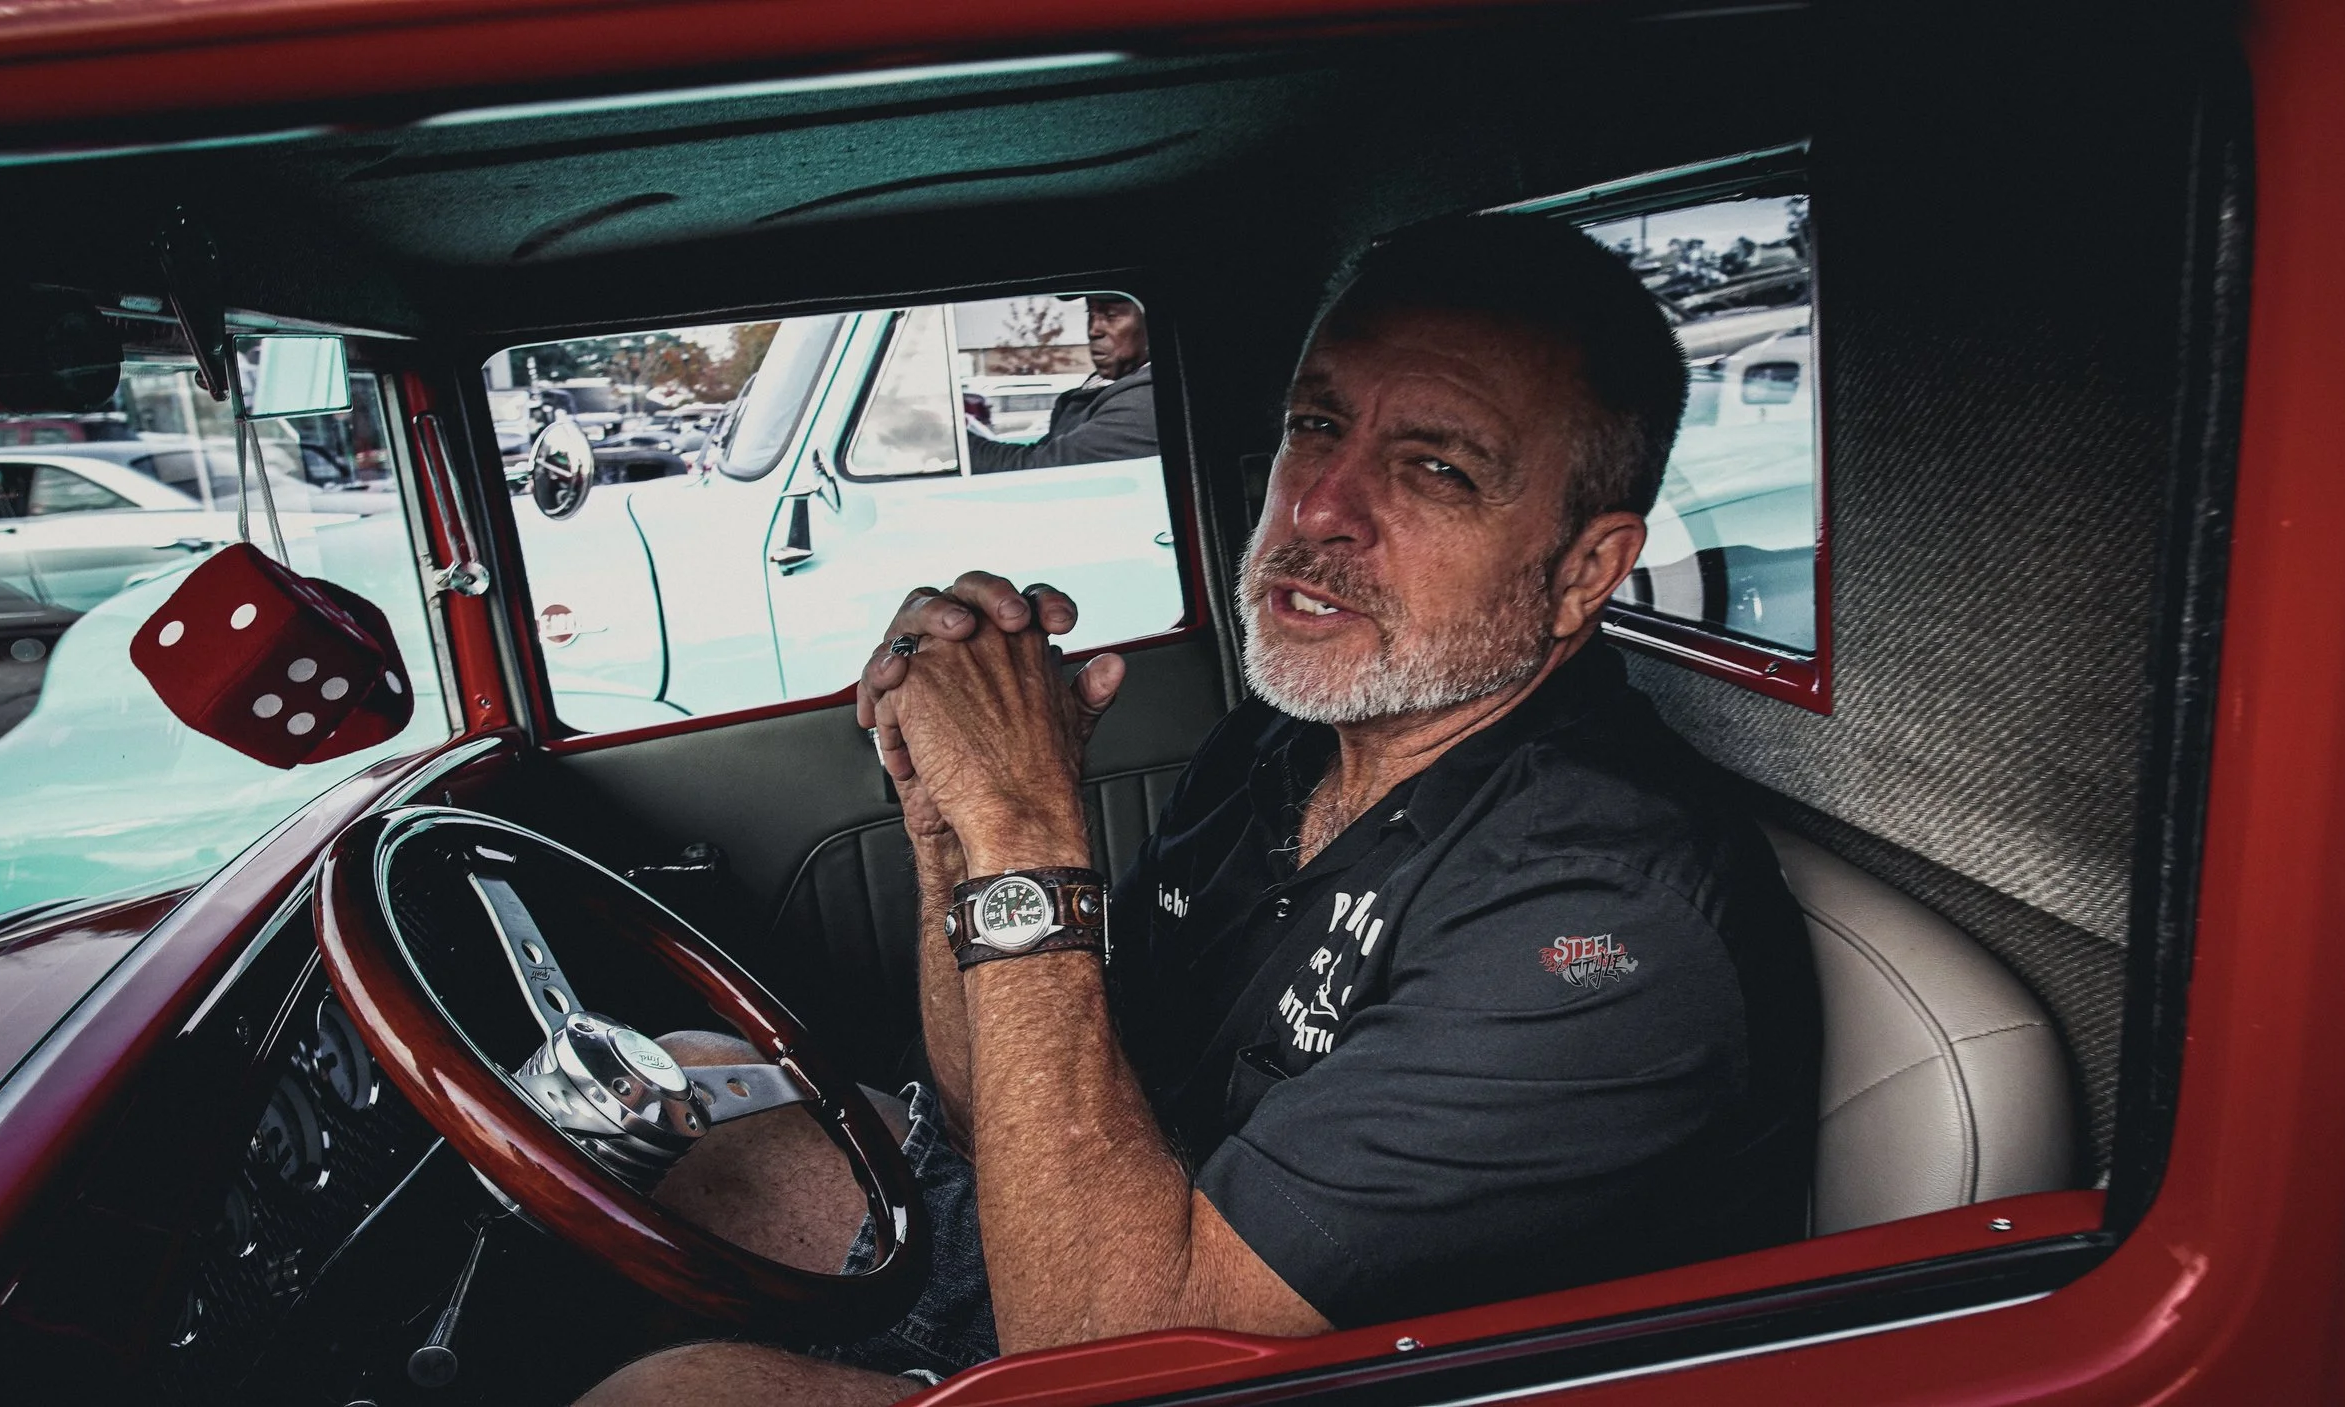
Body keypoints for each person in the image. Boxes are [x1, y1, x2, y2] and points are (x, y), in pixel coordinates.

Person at [584, 214, 1819, 1405]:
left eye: (1434, 468)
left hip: (1220, 1358)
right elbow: (990, 1111)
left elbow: (1116, 1363)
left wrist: (1026, 833)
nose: (1318, 508)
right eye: (1314, 426)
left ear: (1584, 572)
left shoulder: (1602, 920)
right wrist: (949, 823)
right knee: (693, 1109)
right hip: (1114, 1245)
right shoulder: (1280, 744)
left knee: (671, 1396)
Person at [964, 294, 1158, 471]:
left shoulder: (1148, 402)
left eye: (1111, 315)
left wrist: (953, 446)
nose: (1093, 330)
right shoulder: (1108, 386)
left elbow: (1043, 469)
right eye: (1090, 311)